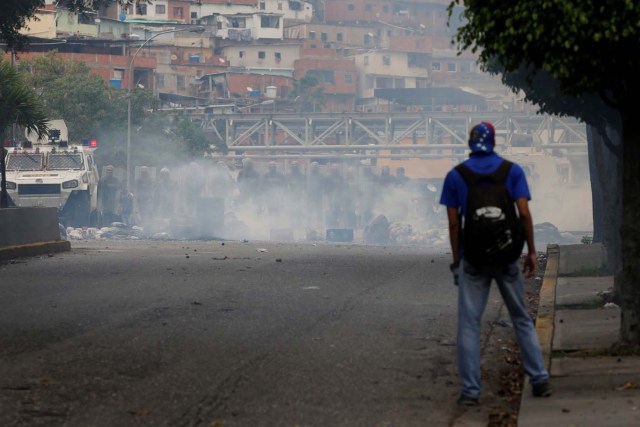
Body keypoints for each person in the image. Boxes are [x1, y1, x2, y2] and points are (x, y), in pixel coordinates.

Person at [439, 121, 551, 406]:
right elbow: (524, 214)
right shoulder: (511, 171)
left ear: (470, 143)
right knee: (521, 318)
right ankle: (539, 378)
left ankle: (470, 392)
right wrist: (532, 251)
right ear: (494, 142)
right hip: (506, 256)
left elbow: (454, 223)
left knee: (469, 323)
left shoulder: (456, 176)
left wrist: (457, 261)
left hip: (473, 259)